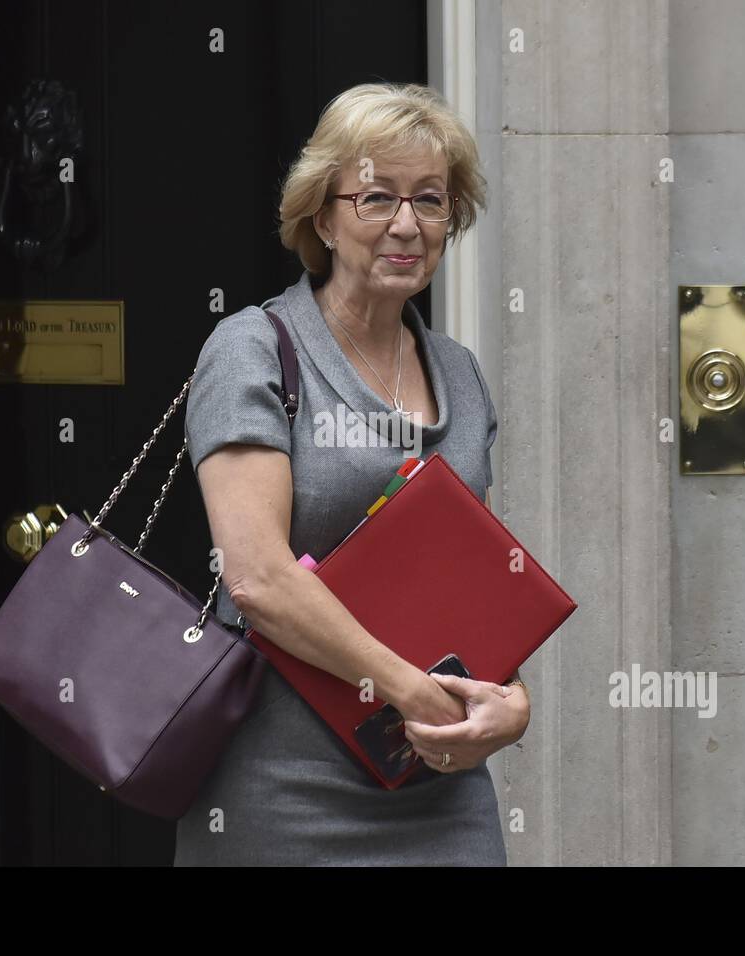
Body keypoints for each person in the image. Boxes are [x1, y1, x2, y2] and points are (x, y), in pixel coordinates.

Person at [174, 82, 530, 866]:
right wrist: (407, 688)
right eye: (376, 197)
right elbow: (258, 579)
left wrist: (511, 706)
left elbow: (481, 592)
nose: (407, 224)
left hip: (443, 801)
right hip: (282, 794)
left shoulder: (460, 373)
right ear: (324, 216)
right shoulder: (253, 350)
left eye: (430, 200)